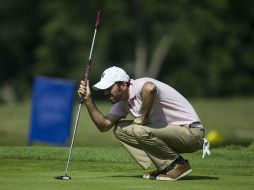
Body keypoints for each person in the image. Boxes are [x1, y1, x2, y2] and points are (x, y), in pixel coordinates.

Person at [78, 66, 210, 180]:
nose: (106, 93)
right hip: (175, 134)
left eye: (109, 88)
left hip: (192, 133)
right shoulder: (123, 102)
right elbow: (104, 125)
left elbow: (150, 88)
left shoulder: (140, 85)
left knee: (139, 128)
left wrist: (144, 118)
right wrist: (88, 100)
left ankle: (178, 165)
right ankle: (165, 166)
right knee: (119, 129)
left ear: (123, 85)